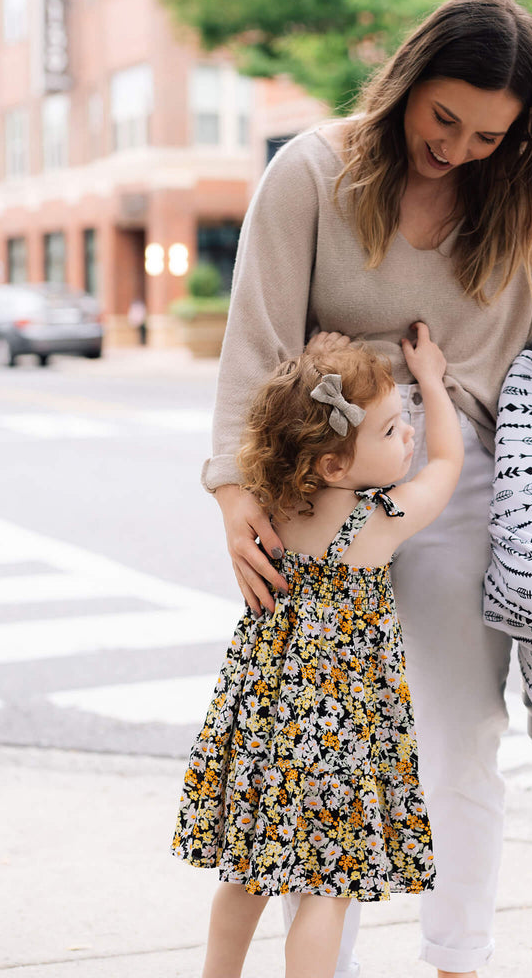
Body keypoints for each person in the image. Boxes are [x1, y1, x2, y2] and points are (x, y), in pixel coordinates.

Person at [202, 0, 532, 974]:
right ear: (409, 81)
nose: (455, 148)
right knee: (322, 737)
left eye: (488, 136)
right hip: (323, 467)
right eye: (443, 117)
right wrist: (238, 492)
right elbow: (256, 339)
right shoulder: (313, 172)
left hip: (457, 471)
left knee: (458, 732)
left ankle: (459, 956)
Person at [173, 325, 464, 978]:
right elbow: (446, 465)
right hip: (337, 737)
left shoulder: (269, 511)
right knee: (325, 890)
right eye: (391, 431)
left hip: (261, 725)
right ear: (336, 466)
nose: (407, 436)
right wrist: (435, 384)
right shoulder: (378, 521)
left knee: (247, 872)